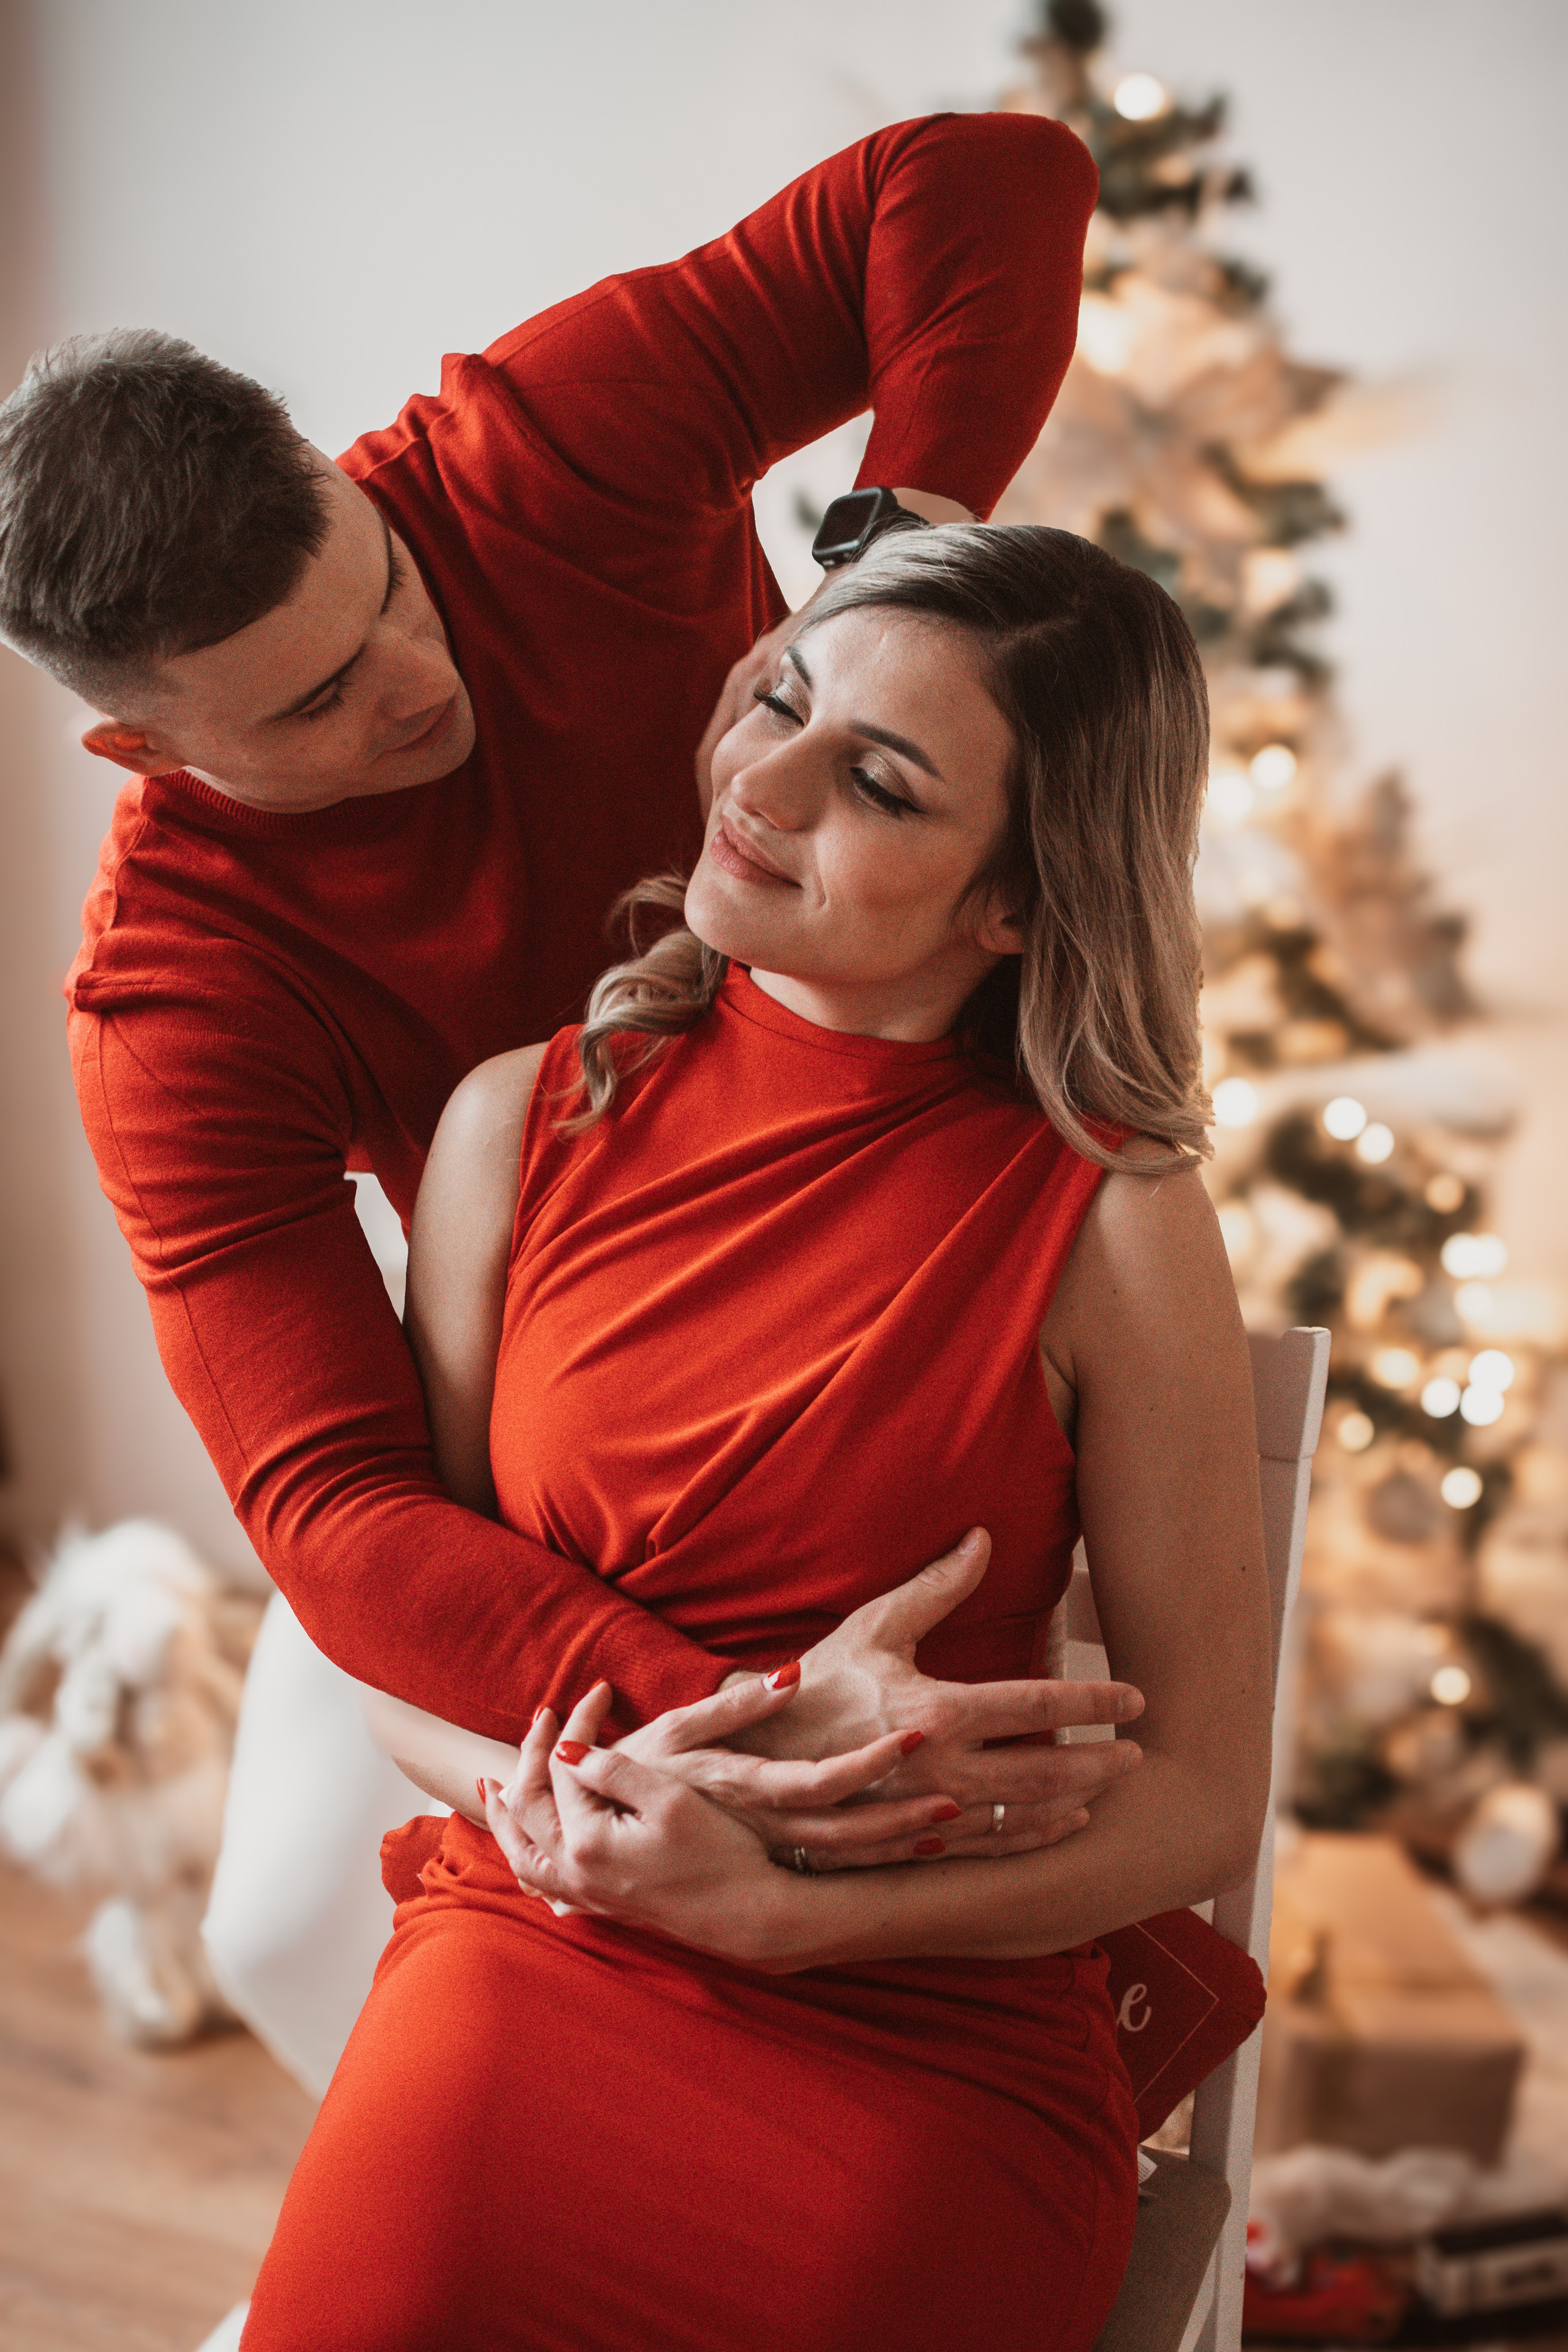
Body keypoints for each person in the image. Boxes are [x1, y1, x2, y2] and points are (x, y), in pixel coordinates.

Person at [0, 113, 1130, 2086]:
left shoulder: (525, 454)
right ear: (141, 746)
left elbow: (984, 178)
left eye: (383, 595)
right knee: (291, 1932)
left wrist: (896, 547)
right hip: (566, 1434)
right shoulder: (175, 1003)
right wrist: (755, 1708)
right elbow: (338, 1505)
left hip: (920, 1259)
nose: (413, 680)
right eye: (308, 706)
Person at [240, 524, 1275, 2352]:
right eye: (780, 701)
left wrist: (792, 1920)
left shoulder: (1109, 1215)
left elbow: (1198, 1794)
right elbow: (390, 1647)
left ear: (1018, 900)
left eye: (876, 782)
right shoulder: (511, 1128)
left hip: (928, 2014)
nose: (758, 784)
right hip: (549, 1927)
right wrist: (599, 1829)